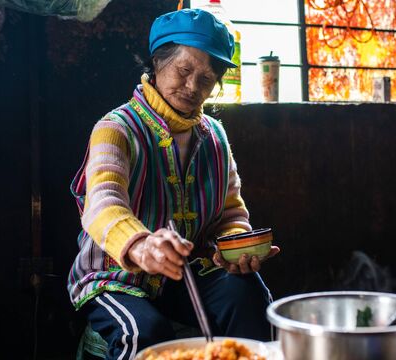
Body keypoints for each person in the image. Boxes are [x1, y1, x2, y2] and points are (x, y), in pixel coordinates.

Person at [67, 8, 280, 359]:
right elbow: (103, 202)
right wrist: (141, 245)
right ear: (158, 60)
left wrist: (235, 248)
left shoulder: (215, 137)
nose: (193, 87)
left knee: (250, 294)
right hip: (115, 278)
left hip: (184, 277)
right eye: (184, 70)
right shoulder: (116, 128)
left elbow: (229, 212)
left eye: (207, 79)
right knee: (143, 333)